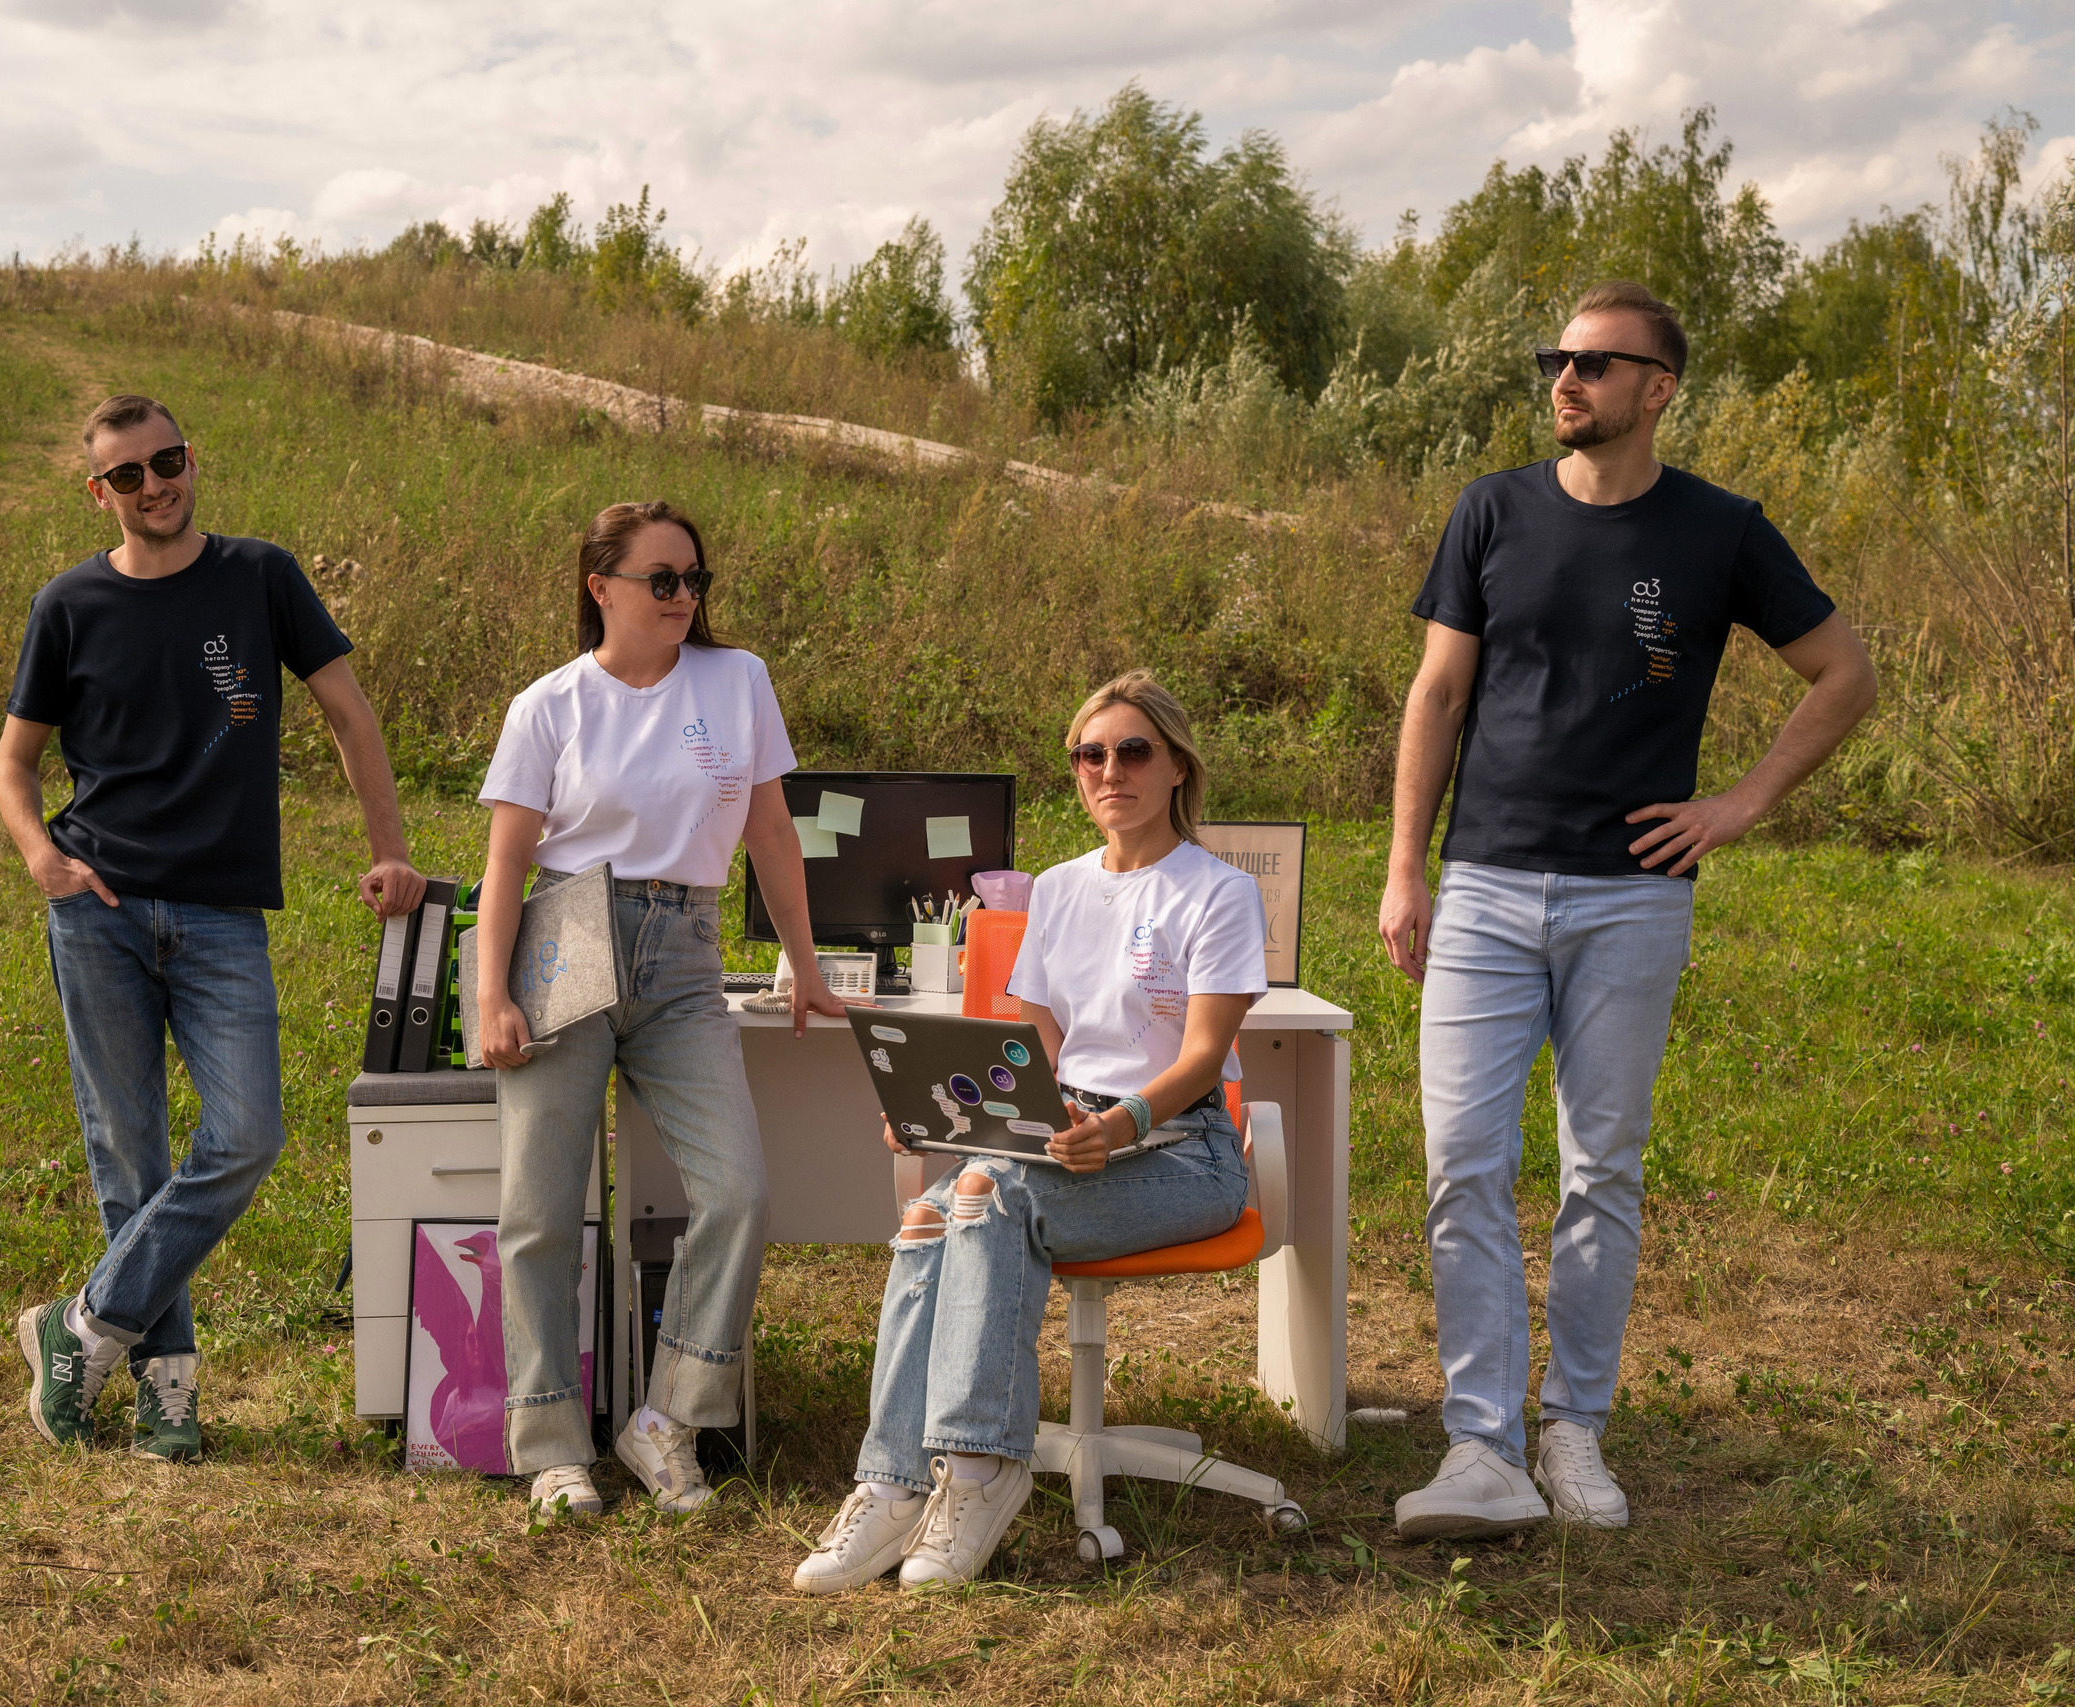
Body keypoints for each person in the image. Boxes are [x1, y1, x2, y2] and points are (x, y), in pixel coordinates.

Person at [1378, 282, 1876, 1539]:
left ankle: (1573, 1432)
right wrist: (1404, 868)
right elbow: (1437, 697)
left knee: (1601, 1171)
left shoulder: (1720, 531)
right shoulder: (1492, 509)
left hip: (1631, 900)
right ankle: (1481, 1446)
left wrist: (1738, 803)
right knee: (1461, 1166)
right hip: (1485, 885)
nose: (1567, 380)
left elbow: (1842, 672)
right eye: (1559, 358)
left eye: (1598, 364)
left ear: (1658, 388)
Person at [0, 394, 425, 1461]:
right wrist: (41, 856)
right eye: (128, 475)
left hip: (222, 913)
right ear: (100, 492)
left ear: (194, 458)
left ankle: (80, 1325)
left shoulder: (259, 575)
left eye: (168, 461)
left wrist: (389, 848)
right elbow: (14, 760)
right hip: (97, 911)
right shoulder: (69, 603)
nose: (155, 485)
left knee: (247, 1136)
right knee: (127, 1156)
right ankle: (165, 1390)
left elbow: (347, 711)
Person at [792, 670, 1267, 1593]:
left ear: (1176, 765)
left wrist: (1122, 1120)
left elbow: (1206, 1058)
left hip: (1185, 1148)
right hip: (1064, 1128)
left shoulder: (1216, 893)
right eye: (1091, 754)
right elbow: (1030, 1050)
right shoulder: (1055, 888)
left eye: (1133, 750)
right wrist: (948, 1112)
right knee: (934, 1210)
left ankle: (977, 1470)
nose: (1110, 770)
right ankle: (890, 1483)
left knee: (983, 1191)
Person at [474, 499, 845, 1518]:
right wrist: (490, 991)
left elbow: (771, 834)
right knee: (540, 1209)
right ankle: (550, 1442)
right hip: (567, 934)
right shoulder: (548, 704)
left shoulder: (738, 681)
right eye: (663, 581)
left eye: (695, 581)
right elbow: (505, 861)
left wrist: (802, 962)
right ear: (602, 588)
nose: (685, 598)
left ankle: (666, 1420)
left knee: (738, 1192)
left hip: (684, 947)